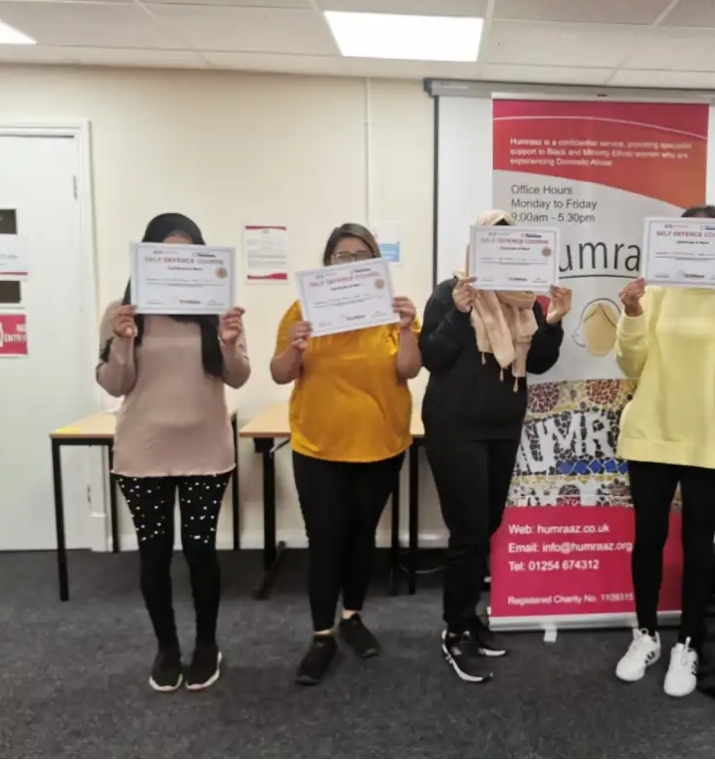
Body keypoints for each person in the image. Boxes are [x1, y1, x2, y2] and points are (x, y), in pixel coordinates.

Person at [96, 213, 250, 693]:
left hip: (205, 449)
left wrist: (228, 344)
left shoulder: (218, 311)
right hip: (143, 452)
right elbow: (114, 384)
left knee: (201, 551)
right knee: (154, 553)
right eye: (166, 254)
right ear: (147, 258)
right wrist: (123, 342)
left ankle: (206, 644)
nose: (177, 264)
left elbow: (238, 377)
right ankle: (166, 648)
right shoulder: (122, 312)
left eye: (188, 255)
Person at [613, 204, 715, 697]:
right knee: (648, 539)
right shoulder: (654, 293)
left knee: (698, 545)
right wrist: (633, 314)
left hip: (709, 437)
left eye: (709, 237)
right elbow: (630, 364)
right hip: (651, 432)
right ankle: (646, 634)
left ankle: (689, 643)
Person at [419, 210, 571, 684]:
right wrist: (458, 314)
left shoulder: (527, 303)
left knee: (487, 524)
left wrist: (555, 320)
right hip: (455, 426)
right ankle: (455, 629)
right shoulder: (451, 293)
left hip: (503, 427)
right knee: (468, 531)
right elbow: (432, 357)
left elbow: (539, 362)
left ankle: (468, 616)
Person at [270, 222, 421, 686]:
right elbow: (279, 373)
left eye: (362, 257)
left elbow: (408, 369)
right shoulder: (303, 309)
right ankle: (322, 636)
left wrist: (407, 330)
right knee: (325, 539)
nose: (352, 264)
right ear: (328, 262)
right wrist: (294, 348)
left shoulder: (392, 311)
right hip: (319, 445)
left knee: (361, 536)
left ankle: (352, 617)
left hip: (380, 443)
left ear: (375, 262)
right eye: (343, 257)